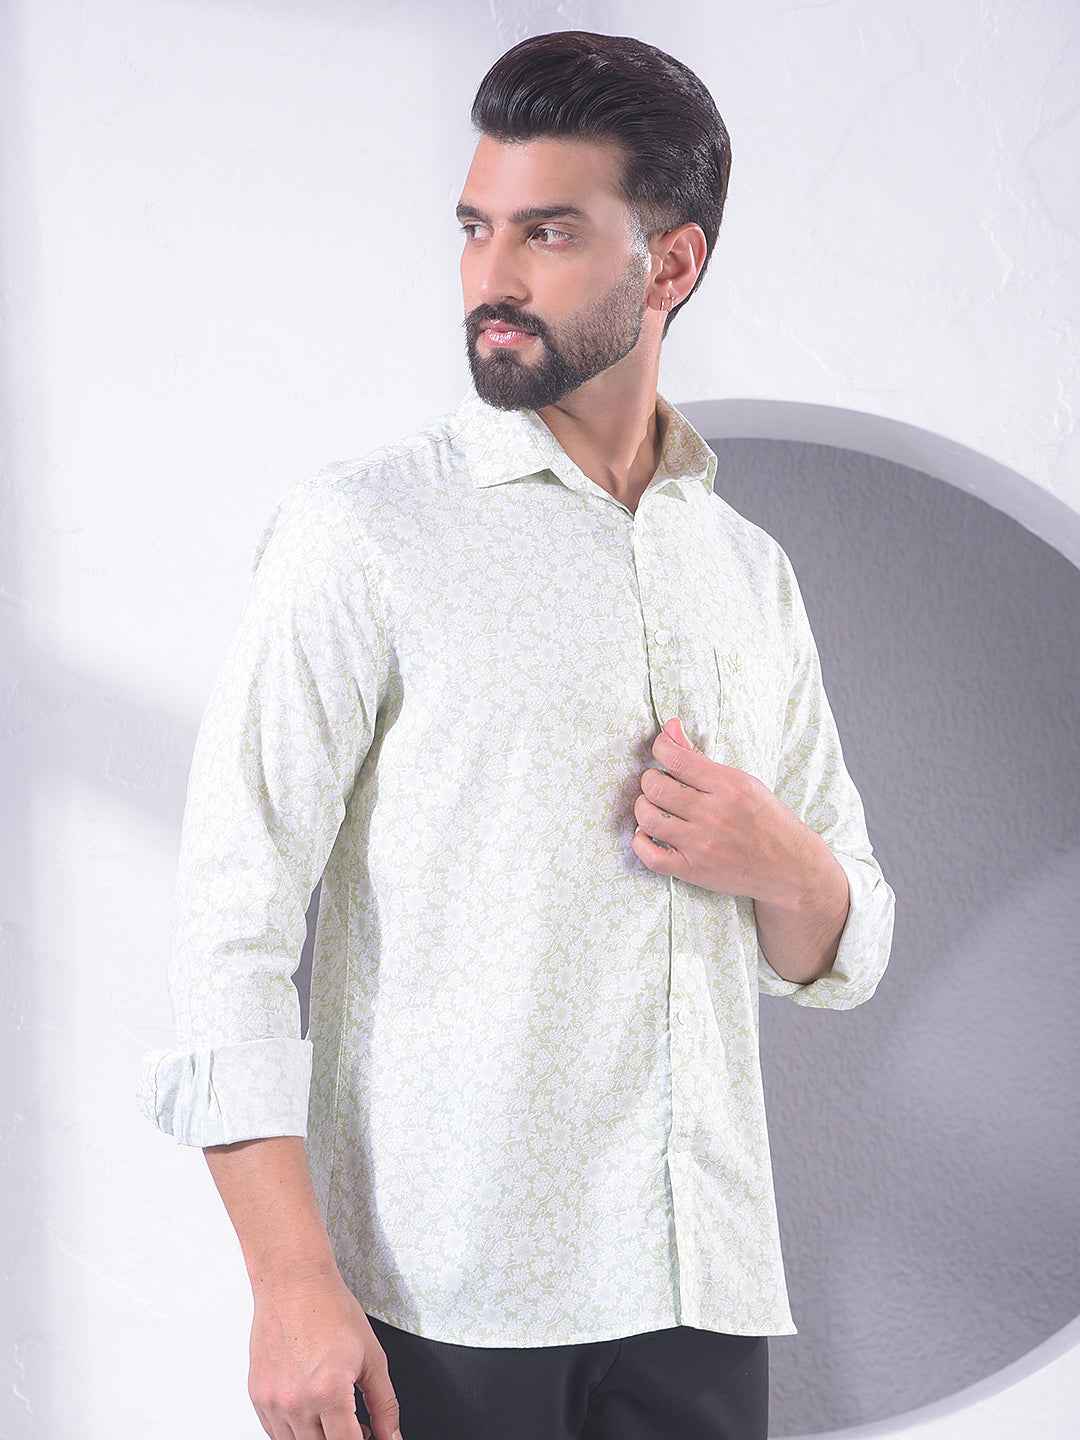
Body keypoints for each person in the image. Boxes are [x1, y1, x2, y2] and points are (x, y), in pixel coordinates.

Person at [136, 29, 896, 1440]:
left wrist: (782, 862)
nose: (490, 274)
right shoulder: (365, 532)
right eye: (476, 227)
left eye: (547, 232)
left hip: (704, 1293)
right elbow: (230, 928)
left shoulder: (748, 572)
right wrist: (289, 1283)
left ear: (669, 265)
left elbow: (835, 953)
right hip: (442, 1305)